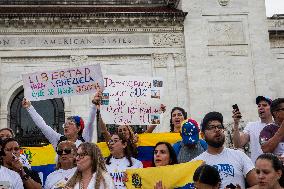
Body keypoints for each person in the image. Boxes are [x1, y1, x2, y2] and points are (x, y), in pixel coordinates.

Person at [193, 111, 257, 189]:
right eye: (212, 127)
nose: (217, 130)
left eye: (219, 127)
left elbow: (259, 185)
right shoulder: (196, 163)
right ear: (202, 135)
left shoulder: (239, 155)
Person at [22, 93, 100, 150]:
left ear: (78, 128)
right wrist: (29, 107)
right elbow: (42, 126)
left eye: (70, 123)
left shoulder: (84, 140)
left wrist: (94, 105)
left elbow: (90, 122)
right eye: (65, 124)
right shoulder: (58, 140)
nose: (66, 125)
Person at [233, 96, 273, 163]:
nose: (261, 108)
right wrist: (236, 123)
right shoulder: (251, 125)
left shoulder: (279, 126)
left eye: (264, 105)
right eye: (259, 106)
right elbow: (238, 144)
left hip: (276, 168)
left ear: (272, 109)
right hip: (258, 169)